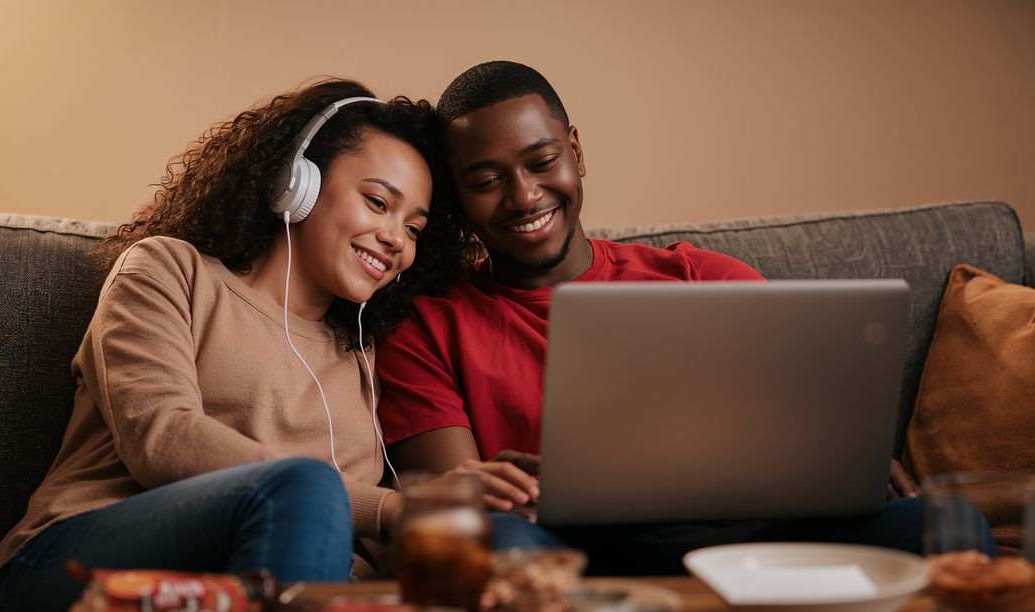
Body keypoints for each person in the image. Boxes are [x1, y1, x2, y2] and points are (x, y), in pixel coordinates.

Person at [375, 61, 954, 574]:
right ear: (456, 197)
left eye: (542, 162)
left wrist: (844, 459)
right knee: (493, 543)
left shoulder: (703, 277)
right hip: (568, 549)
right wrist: (512, 490)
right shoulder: (427, 327)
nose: (524, 197)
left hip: (757, 533)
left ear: (576, 152)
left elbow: (812, 428)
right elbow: (454, 509)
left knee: (937, 522)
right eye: (486, 181)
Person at [0, 78, 485, 611]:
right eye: (378, 202)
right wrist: (383, 509)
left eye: (414, 229)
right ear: (298, 184)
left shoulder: (362, 353)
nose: (396, 239)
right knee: (306, 488)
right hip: (75, 562)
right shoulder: (167, 271)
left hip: (270, 587)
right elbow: (161, 437)